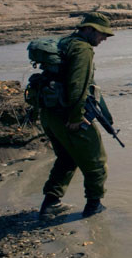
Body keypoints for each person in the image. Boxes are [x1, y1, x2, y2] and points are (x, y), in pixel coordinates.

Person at [38, 12, 114, 219]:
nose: (104, 38)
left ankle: (50, 204)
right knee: (96, 161)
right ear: (88, 29)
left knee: (67, 158)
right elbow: (78, 86)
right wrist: (76, 117)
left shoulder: (65, 43)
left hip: (49, 114)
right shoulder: (82, 49)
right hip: (68, 116)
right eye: (102, 33)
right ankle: (94, 207)